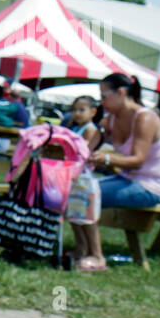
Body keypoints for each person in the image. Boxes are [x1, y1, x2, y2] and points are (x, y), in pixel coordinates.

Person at [73, 72, 160, 271]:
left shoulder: (145, 118)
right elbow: (88, 148)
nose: (101, 102)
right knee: (72, 190)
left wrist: (107, 158)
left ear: (122, 93)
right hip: (125, 180)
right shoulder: (112, 119)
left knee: (86, 194)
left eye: (104, 96)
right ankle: (81, 249)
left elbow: (138, 160)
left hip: (147, 187)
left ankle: (96, 257)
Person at [64, 96, 103, 264]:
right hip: (72, 174)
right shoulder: (75, 127)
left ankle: (84, 247)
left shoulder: (90, 130)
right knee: (73, 213)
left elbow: (83, 149)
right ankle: (81, 245)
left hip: (83, 176)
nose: (77, 114)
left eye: (82, 110)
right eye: (75, 110)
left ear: (93, 112)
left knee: (81, 211)